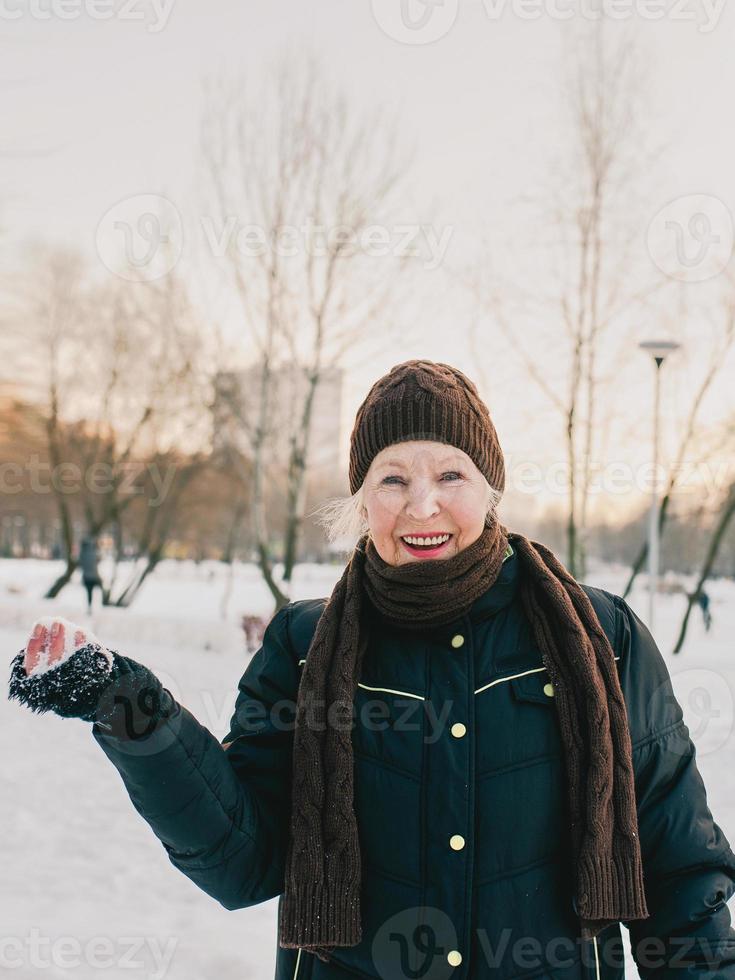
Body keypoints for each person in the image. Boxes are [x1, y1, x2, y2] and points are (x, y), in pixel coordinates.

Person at [8, 359, 735, 980]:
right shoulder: (304, 644)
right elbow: (243, 861)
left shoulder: (599, 637)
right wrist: (125, 704)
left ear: (490, 488)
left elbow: (677, 869)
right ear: (361, 500)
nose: (422, 505)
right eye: (392, 479)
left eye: (450, 473)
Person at [79, 535, 102, 614]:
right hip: (95, 576)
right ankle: (102, 603)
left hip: (86, 577)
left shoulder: (83, 554)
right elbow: (99, 560)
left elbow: (80, 564)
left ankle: (89, 606)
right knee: (100, 588)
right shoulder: (94, 553)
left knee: (89, 592)